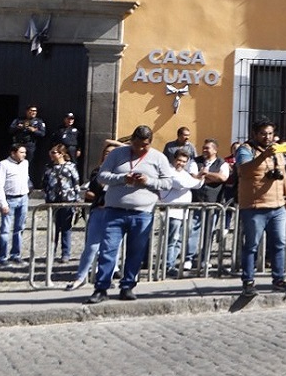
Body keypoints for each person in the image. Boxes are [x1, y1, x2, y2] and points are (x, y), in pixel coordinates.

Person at [87, 125, 174, 303]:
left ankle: (127, 286)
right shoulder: (116, 154)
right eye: (138, 145)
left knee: (136, 252)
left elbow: (167, 183)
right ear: (132, 140)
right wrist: (122, 179)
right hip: (114, 211)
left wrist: (148, 181)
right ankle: (101, 288)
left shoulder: (159, 158)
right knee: (108, 250)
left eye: (145, 145)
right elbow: (101, 176)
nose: (141, 149)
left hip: (142, 213)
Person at [235, 118, 286, 297]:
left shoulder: (277, 151)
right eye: (263, 133)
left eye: (270, 133)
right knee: (252, 245)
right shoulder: (245, 150)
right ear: (255, 134)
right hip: (254, 207)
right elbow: (244, 171)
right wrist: (263, 156)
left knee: (279, 244)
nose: (267, 137)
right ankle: (248, 282)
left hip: (277, 206)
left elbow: (283, 173)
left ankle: (279, 279)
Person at [68, 141, 119, 290]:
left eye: (112, 153)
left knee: (111, 248)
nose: (109, 155)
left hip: (114, 212)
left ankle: (105, 278)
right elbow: (97, 188)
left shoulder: (121, 172)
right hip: (99, 212)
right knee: (92, 247)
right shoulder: (98, 171)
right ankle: (80, 277)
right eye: (107, 153)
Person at [159, 151, 204, 277]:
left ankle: (172, 263)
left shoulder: (184, 173)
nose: (181, 163)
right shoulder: (168, 171)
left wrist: (200, 177)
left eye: (184, 162)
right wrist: (197, 179)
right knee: (172, 239)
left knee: (179, 240)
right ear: (174, 159)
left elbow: (198, 185)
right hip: (172, 211)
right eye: (179, 160)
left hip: (184, 211)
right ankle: (167, 265)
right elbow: (180, 184)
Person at [189, 138, 229, 269]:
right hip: (197, 201)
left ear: (215, 150)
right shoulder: (195, 161)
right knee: (192, 230)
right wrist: (210, 177)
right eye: (203, 147)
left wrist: (206, 174)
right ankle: (189, 258)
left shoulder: (222, 163)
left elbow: (223, 178)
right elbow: (193, 176)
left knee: (209, 231)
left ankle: (205, 258)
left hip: (213, 203)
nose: (204, 150)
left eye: (207, 148)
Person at [42, 145, 82, 262]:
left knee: (66, 227)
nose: (52, 154)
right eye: (51, 152)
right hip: (53, 200)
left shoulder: (70, 167)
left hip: (67, 200)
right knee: (53, 228)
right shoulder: (49, 167)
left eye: (54, 152)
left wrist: (77, 200)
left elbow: (76, 183)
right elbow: (45, 184)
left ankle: (66, 253)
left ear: (61, 154)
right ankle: (51, 253)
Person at [0, 144, 31, 266]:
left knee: (19, 228)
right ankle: (2, 257)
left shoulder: (25, 163)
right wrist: (3, 203)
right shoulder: (3, 165)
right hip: (10, 199)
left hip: (23, 198)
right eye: (21, 152)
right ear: (13, 153)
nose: (24, 155)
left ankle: (16, 254)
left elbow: (26, 178)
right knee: (5, 229)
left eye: (24, 152)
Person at [9, 104, 46, 178]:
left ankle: (28, 180)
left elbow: (42, 134)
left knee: (29, 163)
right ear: (27, 111)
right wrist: (18, 127)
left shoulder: (38, 121)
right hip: (19, 144)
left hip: (30, 144)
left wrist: (34, 130)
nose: (33, 112)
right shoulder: (19, 120)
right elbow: (10, 130)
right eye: (31, 110)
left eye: (35, 111)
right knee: (16, 161)